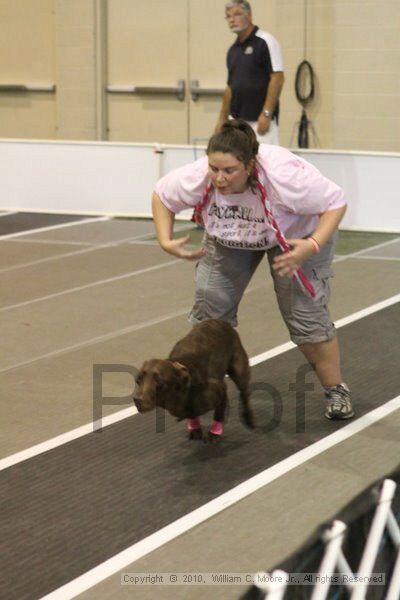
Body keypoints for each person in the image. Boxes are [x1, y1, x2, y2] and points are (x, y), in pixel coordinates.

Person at [152, 119, 354, 421]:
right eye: (214, 169)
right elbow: (162, 196)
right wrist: (165, 240)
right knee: (210, 309)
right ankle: (203, 388)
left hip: (297, 235)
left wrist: (311, 245)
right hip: (232, 235)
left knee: (304, 315)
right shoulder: (197, 176)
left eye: (229, 171)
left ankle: (335, 389)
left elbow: (336, 202)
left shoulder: (286, 178)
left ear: (249, 165)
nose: (219, 179)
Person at [215, 0, 284, 145]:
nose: (232, 19)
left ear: (249, 15)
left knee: (263, 165)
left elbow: (277, 78)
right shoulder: (232, 50)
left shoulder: (265, 42)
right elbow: (230, 88)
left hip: (260, 122)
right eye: (228, 16)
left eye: (237, 14)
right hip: (237, 123)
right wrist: (222, 120)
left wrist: (266, 114)